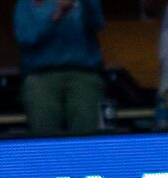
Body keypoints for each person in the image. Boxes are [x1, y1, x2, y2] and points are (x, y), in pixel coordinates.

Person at [13, 0, 106, 135]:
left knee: (86, 138)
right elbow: (25, 37)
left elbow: (97, 24)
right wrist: (57, 15)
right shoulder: (26, 3)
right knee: (44, 137)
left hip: (82, 73)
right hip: (41, 76)